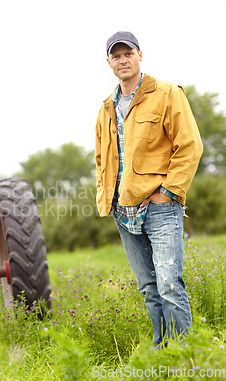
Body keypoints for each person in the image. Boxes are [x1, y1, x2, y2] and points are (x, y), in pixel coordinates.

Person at [95, 31, 203, 348]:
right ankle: (161, 350)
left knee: (169, 283)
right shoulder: (105, 108)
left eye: (128, 53)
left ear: (140, 55)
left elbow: (190, 147)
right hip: (123, 209)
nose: (123, 60)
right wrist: (107, 198)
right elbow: (101, 158)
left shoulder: (168, 94)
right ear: (109, 63)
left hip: (159, 206)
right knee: (149, 287)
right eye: (116, 56)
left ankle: (183, 355)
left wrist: (168, 191)